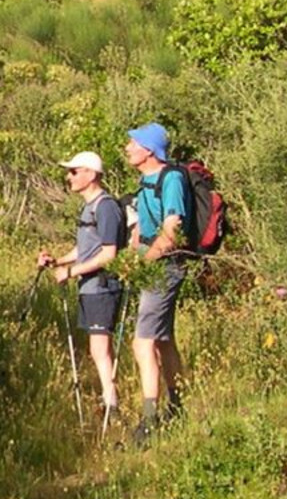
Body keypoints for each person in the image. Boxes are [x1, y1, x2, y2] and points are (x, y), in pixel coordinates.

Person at [36, 150, 128, 430]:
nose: (69, 177)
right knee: (96, 349)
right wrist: (58, 261)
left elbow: (109, 254)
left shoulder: (106, 206)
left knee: (100, 349)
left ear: (90, 174)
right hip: (89, 287)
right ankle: (109, 403)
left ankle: (112, 407)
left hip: (102, 286)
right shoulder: (88, 207)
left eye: (74, 171)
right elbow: (86, 248)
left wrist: (70, 272)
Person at [124, 122, 189, 441]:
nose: (127, 148)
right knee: (162, 340)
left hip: (165, 268)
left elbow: (170, 234)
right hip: (153, 267)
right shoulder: (144, 181)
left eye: (132, 144)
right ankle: (177, 407)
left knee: (142, 341)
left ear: (148, 149)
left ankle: (149, 421)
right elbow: (142, 230)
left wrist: (141, 264)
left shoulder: (172, 179)